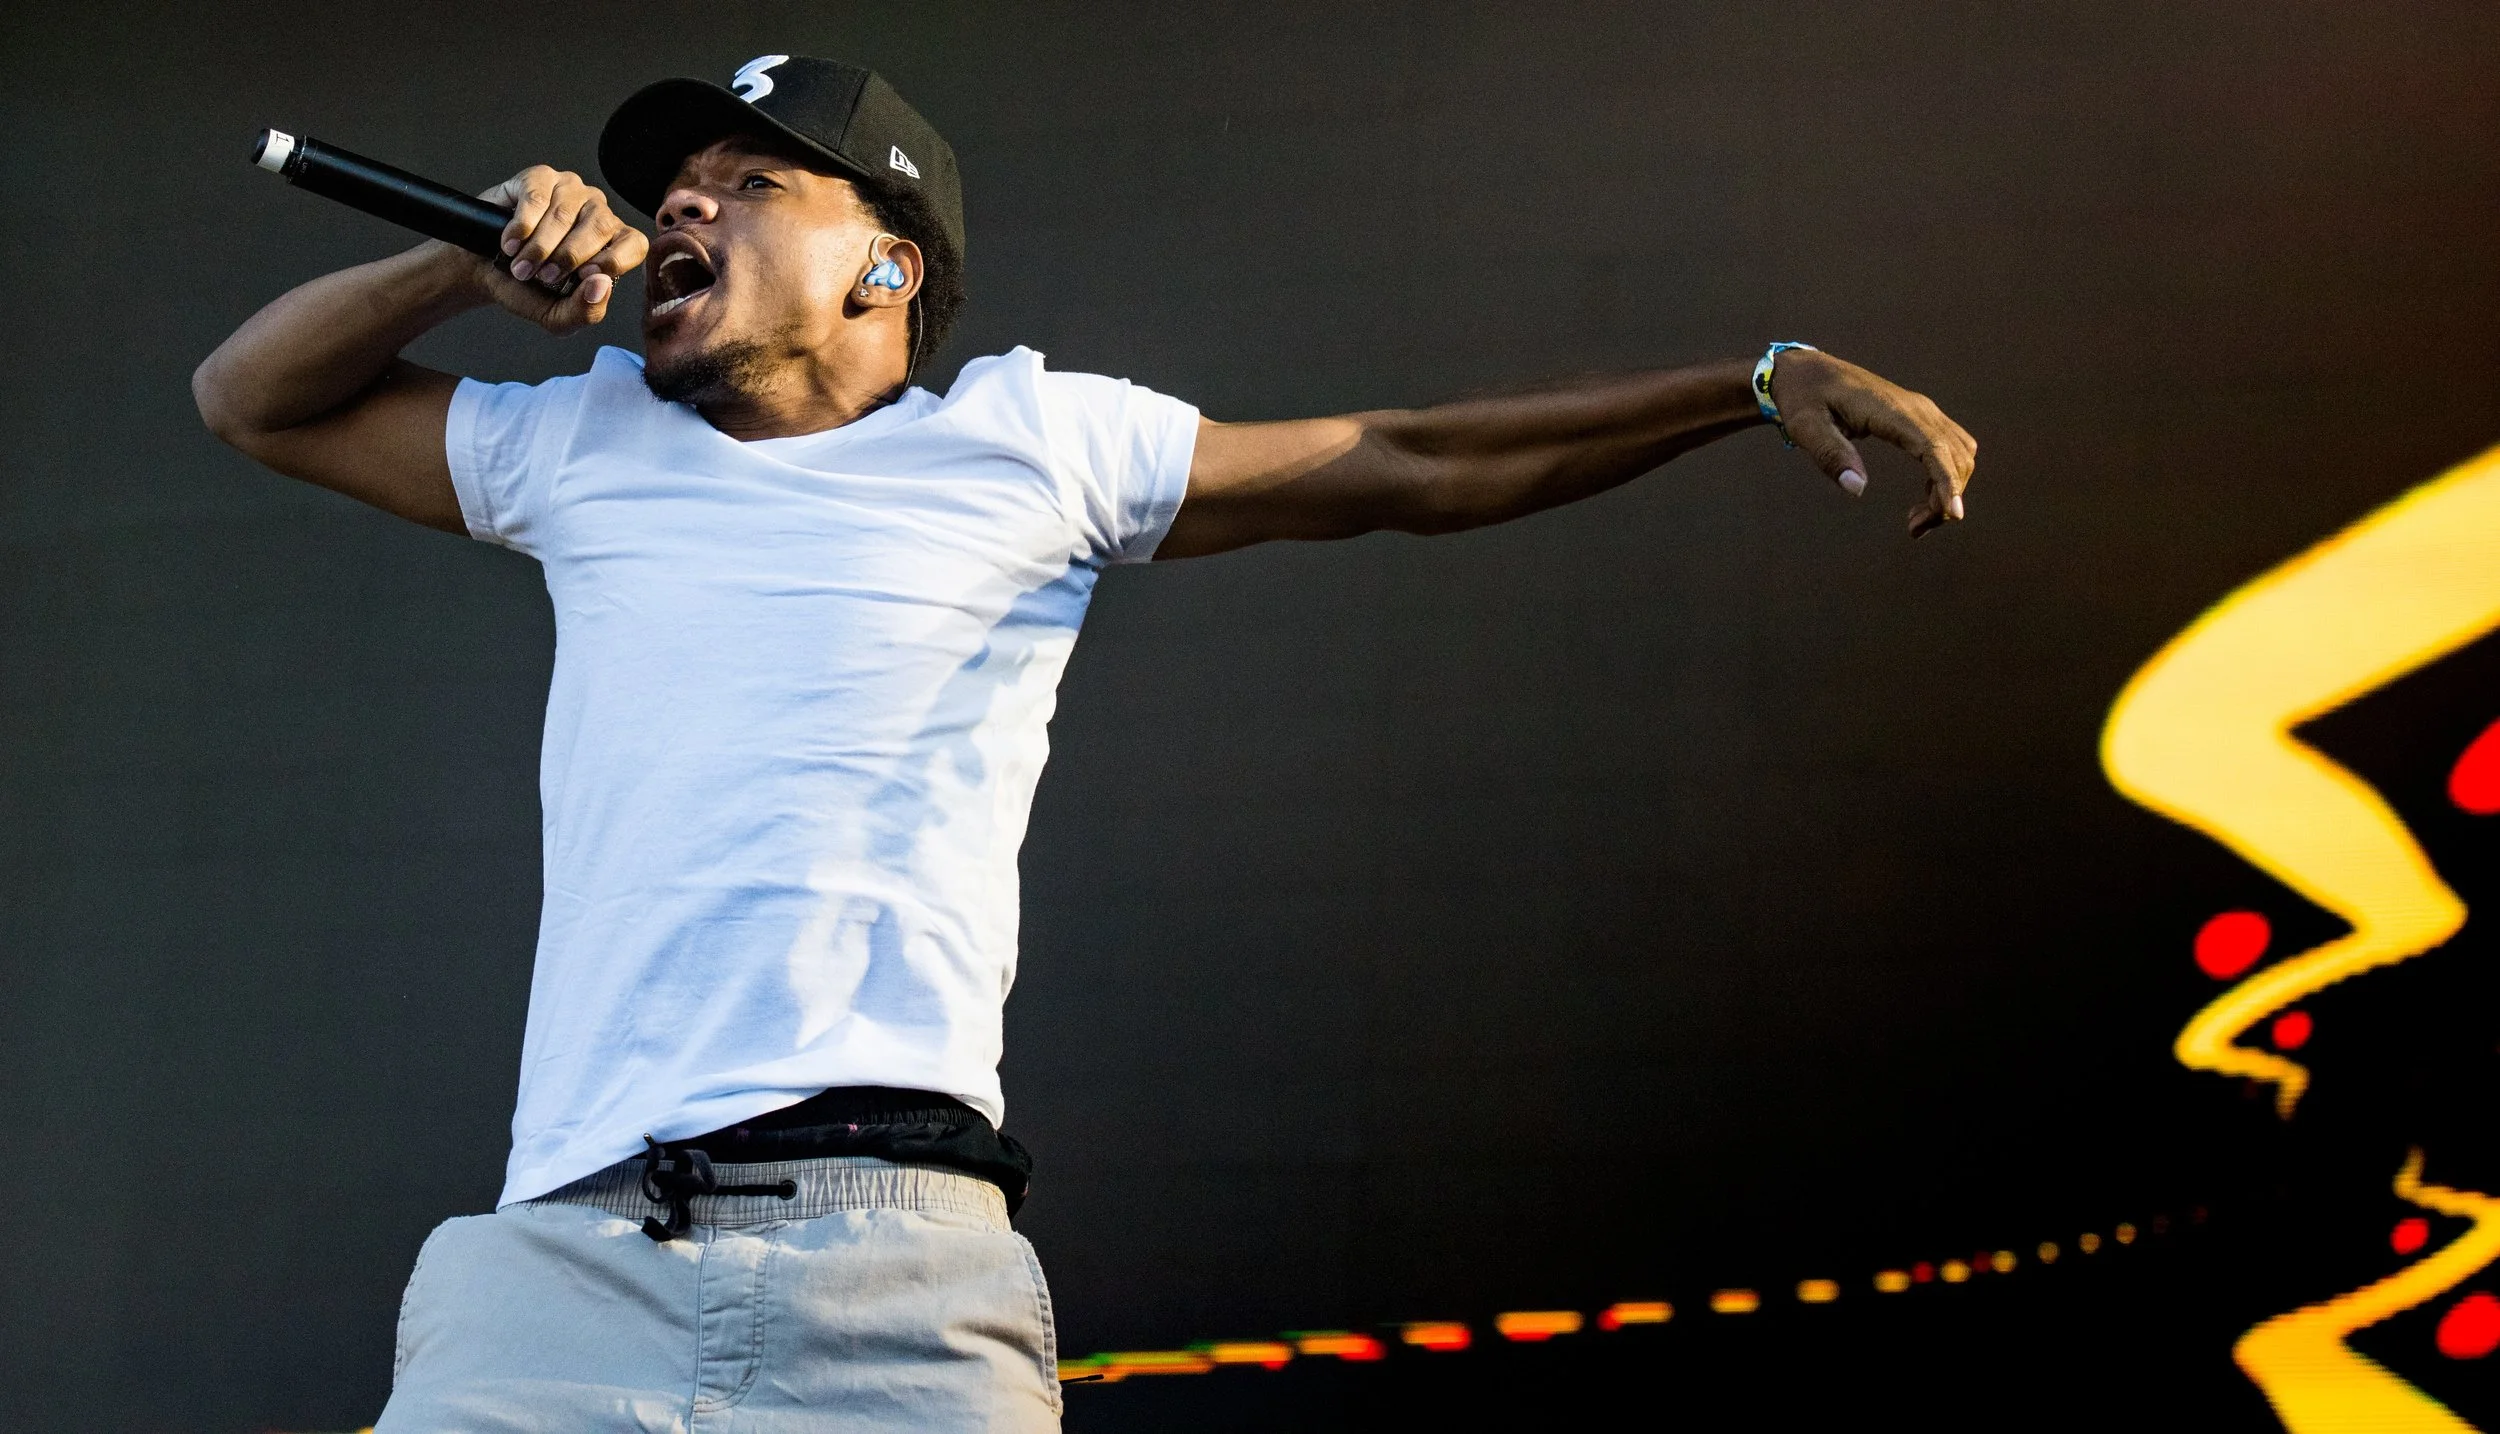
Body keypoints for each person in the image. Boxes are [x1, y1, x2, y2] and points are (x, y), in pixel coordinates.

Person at [193, 53, 1975, 1434]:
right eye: (667, 189)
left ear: (887, 261)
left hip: (891, 1265)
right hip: (560, 1269)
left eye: (748, 183)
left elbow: (1406, 459)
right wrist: (452, 261)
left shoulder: (1030, 443)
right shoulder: (579, 444)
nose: (683, 210)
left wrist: (1738, 384)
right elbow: (248, 399)